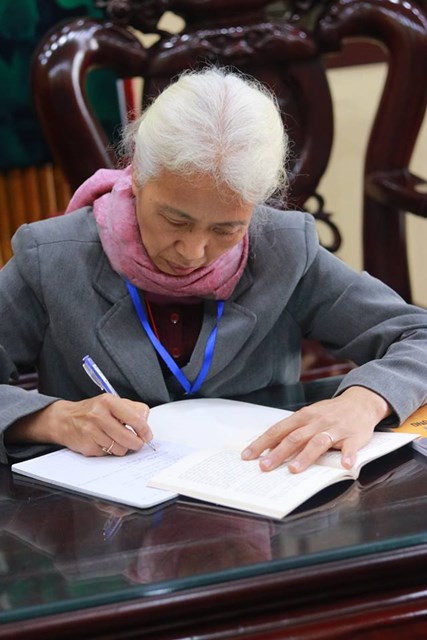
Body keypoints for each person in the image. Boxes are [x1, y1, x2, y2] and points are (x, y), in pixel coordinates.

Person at [1, 67, 427, 473]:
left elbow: (417, 335)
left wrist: (364, 400)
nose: (193, 252)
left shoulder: (283, 249)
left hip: (260, 491)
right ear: (138, 176)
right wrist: (53, 419)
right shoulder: (52, 259)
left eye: (226, 229)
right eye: (175, 220)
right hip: (97, 509)